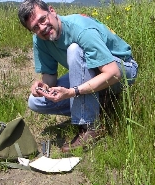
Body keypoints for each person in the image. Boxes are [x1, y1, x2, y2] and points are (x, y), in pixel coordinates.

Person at [18, 0, 138, 153]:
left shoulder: (80, 28)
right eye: (35, 27)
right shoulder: (40, 40)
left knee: (74, 50)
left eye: (43, 19)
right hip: (92, 71)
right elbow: (50, 76)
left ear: (52, 11)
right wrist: (44, 86)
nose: (42, 27)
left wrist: (73, 91)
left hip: (122, 69)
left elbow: (114, 73)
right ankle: (99, 104)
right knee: (36, 101)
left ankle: (91, 127)